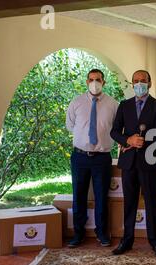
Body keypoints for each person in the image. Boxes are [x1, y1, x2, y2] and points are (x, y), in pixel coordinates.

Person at [110, 70, 156, 257]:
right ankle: (127, 240)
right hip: (129, 162)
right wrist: (128, 140)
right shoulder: (124, 105)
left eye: (143, 81)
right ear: (132, 84)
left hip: (150, 160)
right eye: (136, 81)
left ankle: (155, 241)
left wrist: (140, 141)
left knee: (151, 202)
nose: (139, 84)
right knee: (130, 202)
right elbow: (115, 131)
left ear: (149, 83)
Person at [66, 69, 119, 247]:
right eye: (91, 79)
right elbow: (70, 125)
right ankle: (78, 233)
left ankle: (102, 232)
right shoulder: (76, 102)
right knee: (78, 196)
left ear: (104, 82)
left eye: (98, 79)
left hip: (102, 158)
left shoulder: (113, 104)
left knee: (101, 196)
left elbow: (117, 129)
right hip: (80, 157)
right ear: (87, 81)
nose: (94, 82)